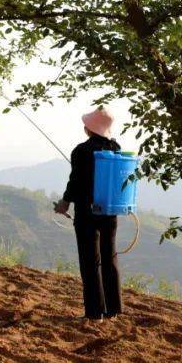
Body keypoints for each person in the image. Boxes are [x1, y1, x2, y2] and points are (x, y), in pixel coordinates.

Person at [54, 108, 123, 321]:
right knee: (110, 258)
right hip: (110, 211)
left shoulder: (81, 151)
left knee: (90, 261)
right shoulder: (115, 149)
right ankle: (113, 310)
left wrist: (64, 203)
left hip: (86, 212)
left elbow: (75, 181)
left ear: (89, 129)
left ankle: (94, 313)